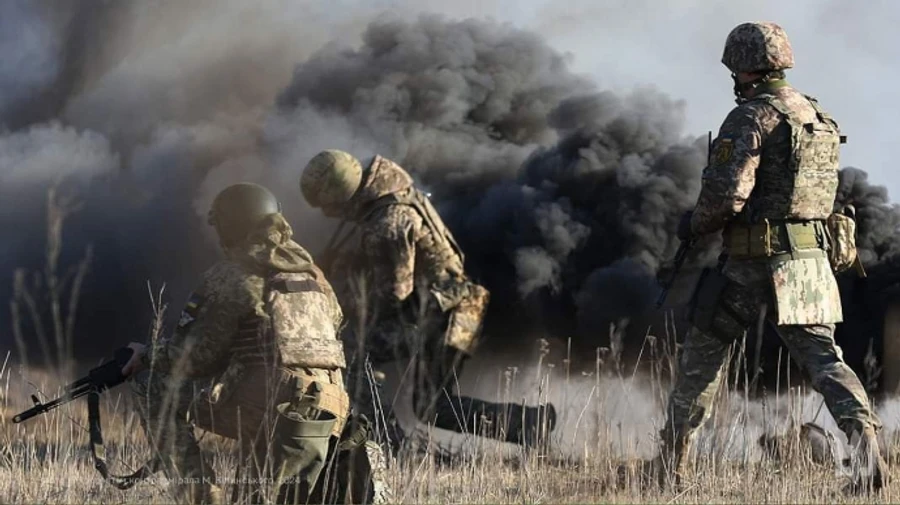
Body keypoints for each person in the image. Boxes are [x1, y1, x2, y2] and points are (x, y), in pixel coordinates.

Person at [647, 22, 890, 494]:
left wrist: (695, 224)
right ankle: (868, 448)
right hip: (807, 263)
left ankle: (669, 469)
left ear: (742, 66)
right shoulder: (817, 116)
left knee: (702, 359)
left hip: (751, 262)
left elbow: (728, 196)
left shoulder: (752, 117)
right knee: (826, 360)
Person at [120, 183, 389, 504]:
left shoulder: (232, 274)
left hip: (270, 406)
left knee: (151, 386)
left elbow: (193, 357)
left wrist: (146, 354)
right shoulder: (314, 275)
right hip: (331, 411)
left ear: (229, 227)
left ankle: (199, 494)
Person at [299, 150, 556, 454]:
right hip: (448, 307)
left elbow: (395, 293)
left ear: (341, 195)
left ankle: (389, 444)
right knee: (432, 405)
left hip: (444, 313)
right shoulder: (390, 200)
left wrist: (344, 307)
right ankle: (526, 424)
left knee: (353, 355)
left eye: (330, 207)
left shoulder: (388, 222)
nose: (332, 215)